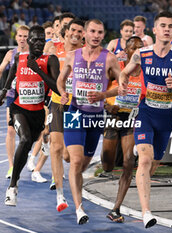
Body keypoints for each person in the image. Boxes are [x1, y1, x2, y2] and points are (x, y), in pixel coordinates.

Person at [118, 11, 172, 228]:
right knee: (144, 159)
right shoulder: (141, 54)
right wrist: (122, 83)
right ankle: (146, 212)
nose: (167, 29)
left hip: (166, 117)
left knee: (153, 163)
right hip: (145, 112)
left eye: (170, 26)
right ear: (154, 30)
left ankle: (143, 177)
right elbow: (124, 73)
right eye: (162, 25)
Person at [57, 19, 121, 225]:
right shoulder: (72, 56)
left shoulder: (110, 59)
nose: (96, 35)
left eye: (100, 32)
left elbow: (123, 86)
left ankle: (72, 170)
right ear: (85, 33)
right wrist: (63, 92)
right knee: (76, 162)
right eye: (92, 31)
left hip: (95, 117)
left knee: (82, 164)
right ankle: (79, 208)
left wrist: (103, 95)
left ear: (103, 35)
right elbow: (60, 79)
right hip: (75, 112)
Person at [0, 25, 60, 206]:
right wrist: (3, 93)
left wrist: (38, 70)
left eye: (42, 39)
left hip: (38, 113)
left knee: (27, 146)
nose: (39, 42)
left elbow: (56, 88)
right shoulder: (19, 57)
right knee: (24, 140)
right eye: (35, 39)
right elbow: (12, 73)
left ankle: (44, 139)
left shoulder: (51, 60)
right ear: (28, 41)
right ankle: (12, 186)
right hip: (19, 109)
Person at [102, 36, 144, 223]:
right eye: (134, 48)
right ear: (126, 51)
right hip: (113, 116)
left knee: (128, 162)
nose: (138, 52)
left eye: (141, 48)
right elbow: (100, 86)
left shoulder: (146, 70)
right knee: (108, 164)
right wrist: (106, 104)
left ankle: (116, 208)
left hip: (131, 120)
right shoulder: (117, 65)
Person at [46, 18, 85, 212]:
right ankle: (60, 195)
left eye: (80, 31)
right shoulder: (54, 49)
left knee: (69, 156)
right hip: (57, 103)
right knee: (55, 147)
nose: (76, 34)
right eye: (73, 31)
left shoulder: (86, 52)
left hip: (77, 106)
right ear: (66, 32)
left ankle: (74, 182)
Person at [0, 25, 29, 179]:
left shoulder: (34, 53)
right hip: (13, 95)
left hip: (30, 95)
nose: (22, 39)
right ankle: (11, 166)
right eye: (20, 36)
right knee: (10, 130)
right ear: (16, 37)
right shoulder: (10, 54)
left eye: (26, 36)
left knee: (34, 132)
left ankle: (31, 158)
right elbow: (0, 69)